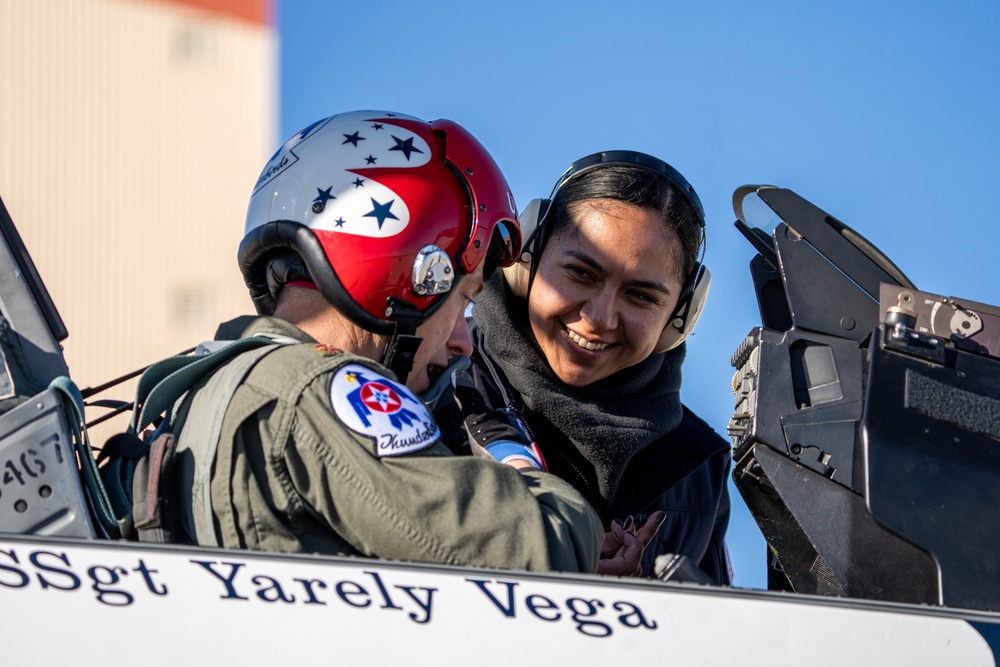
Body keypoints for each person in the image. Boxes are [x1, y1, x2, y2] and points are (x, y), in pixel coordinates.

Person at [163, 111, 603, 573]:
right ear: (414, 278)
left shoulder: (205, 383)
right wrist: (512, 458)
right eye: (464, 299)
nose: (463, 343)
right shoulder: (324, 392)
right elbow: (547, 546)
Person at [453, 151, 732, 581]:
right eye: (581, 273)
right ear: (527, 257)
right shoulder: (433, 382)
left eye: (641, 296)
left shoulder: (697, 465)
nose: (601, 318)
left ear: (680, 316)